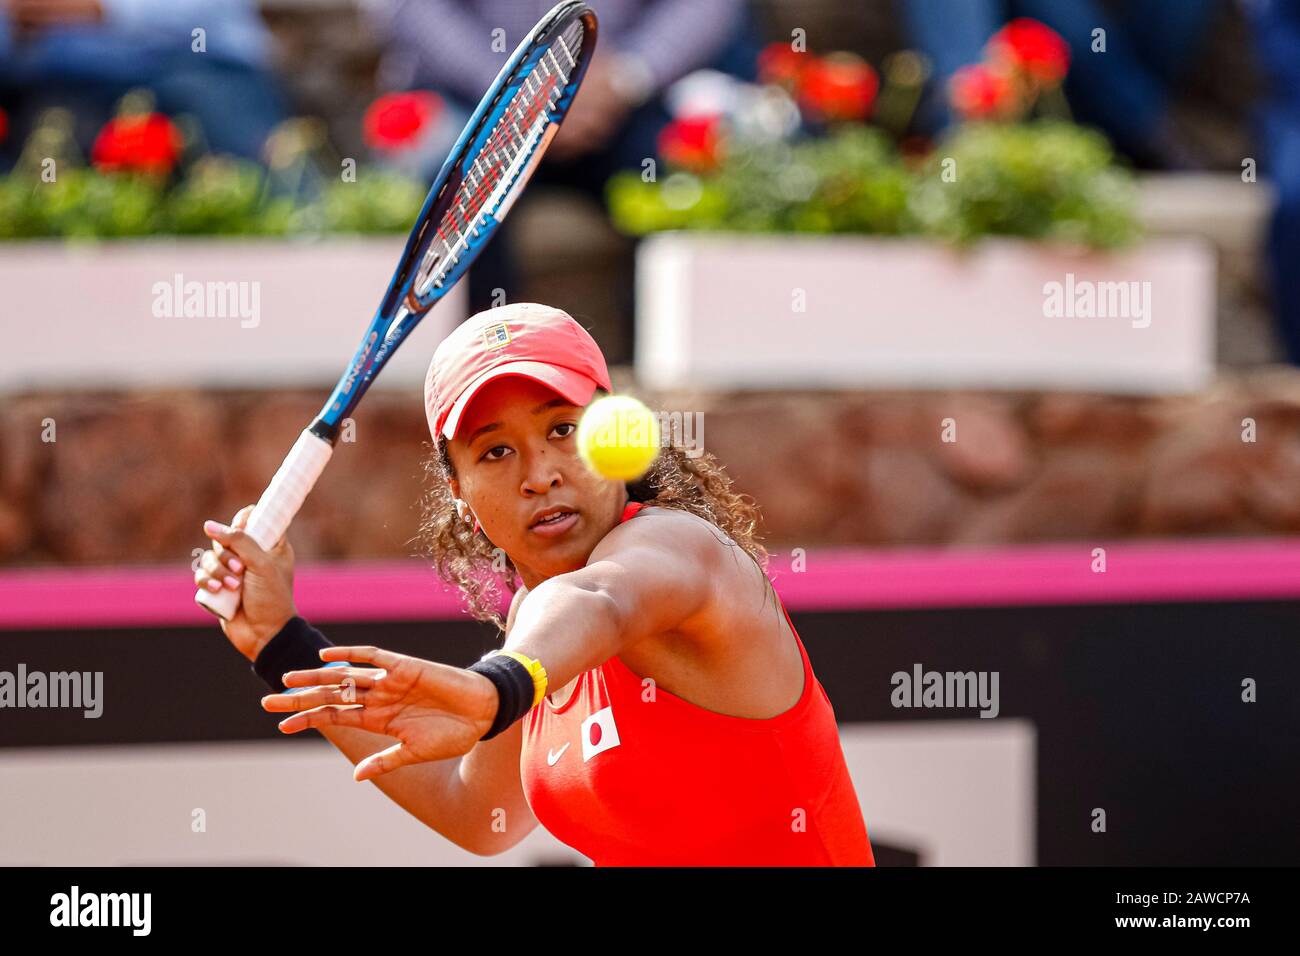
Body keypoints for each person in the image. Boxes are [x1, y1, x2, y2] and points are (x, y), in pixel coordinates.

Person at [194, 302, 875, 866]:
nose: (539, 472)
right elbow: (476, 814)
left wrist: (498, 686)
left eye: (562, 428)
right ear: (458, 490)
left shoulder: (680, 550)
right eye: (495, 449)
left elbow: (596, 600)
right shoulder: (533, 629)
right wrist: (280, 641)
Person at [0, 0, 287, 163]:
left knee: (264, 187)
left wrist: (96, 9)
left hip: (199, 64)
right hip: (65, 80)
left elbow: (202, 11)